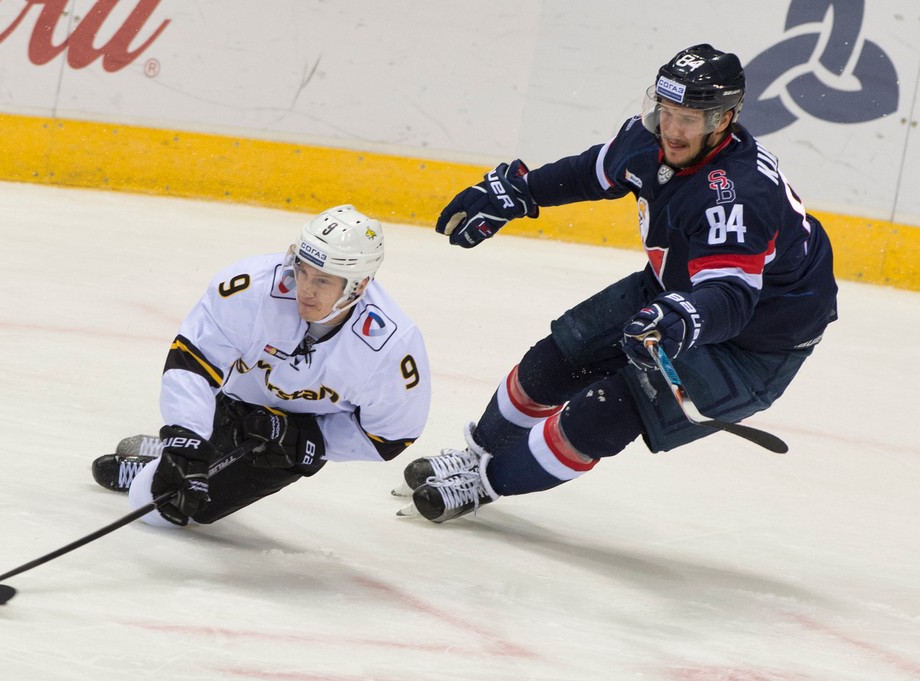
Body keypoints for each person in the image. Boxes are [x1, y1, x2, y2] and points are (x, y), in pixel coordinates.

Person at [398, 44, 838, 523]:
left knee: (604, 412)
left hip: (754, 344)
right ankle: (477, 456)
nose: (672, 129)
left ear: (724, 120)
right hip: (676, 293)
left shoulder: (736, 196)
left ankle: (483, 483)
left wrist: (682, 317)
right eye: (666, 110)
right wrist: (521, 192)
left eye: (689, 119)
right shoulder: (648, 139)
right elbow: (589, 173)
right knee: (555, 360)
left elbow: (731, 298)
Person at [92, 204, 431, 527]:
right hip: (230, 398)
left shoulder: (391, 346)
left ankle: (160, 463)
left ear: (360, 285)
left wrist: (307, 439)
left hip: (285, 441)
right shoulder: (252, 286)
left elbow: (391, 436)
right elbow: (193, 362)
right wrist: (186, 439)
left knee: (160, 507)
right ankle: (187, 450)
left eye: (322, 281)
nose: (305, 289)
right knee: (163, 493)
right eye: (302, 270)